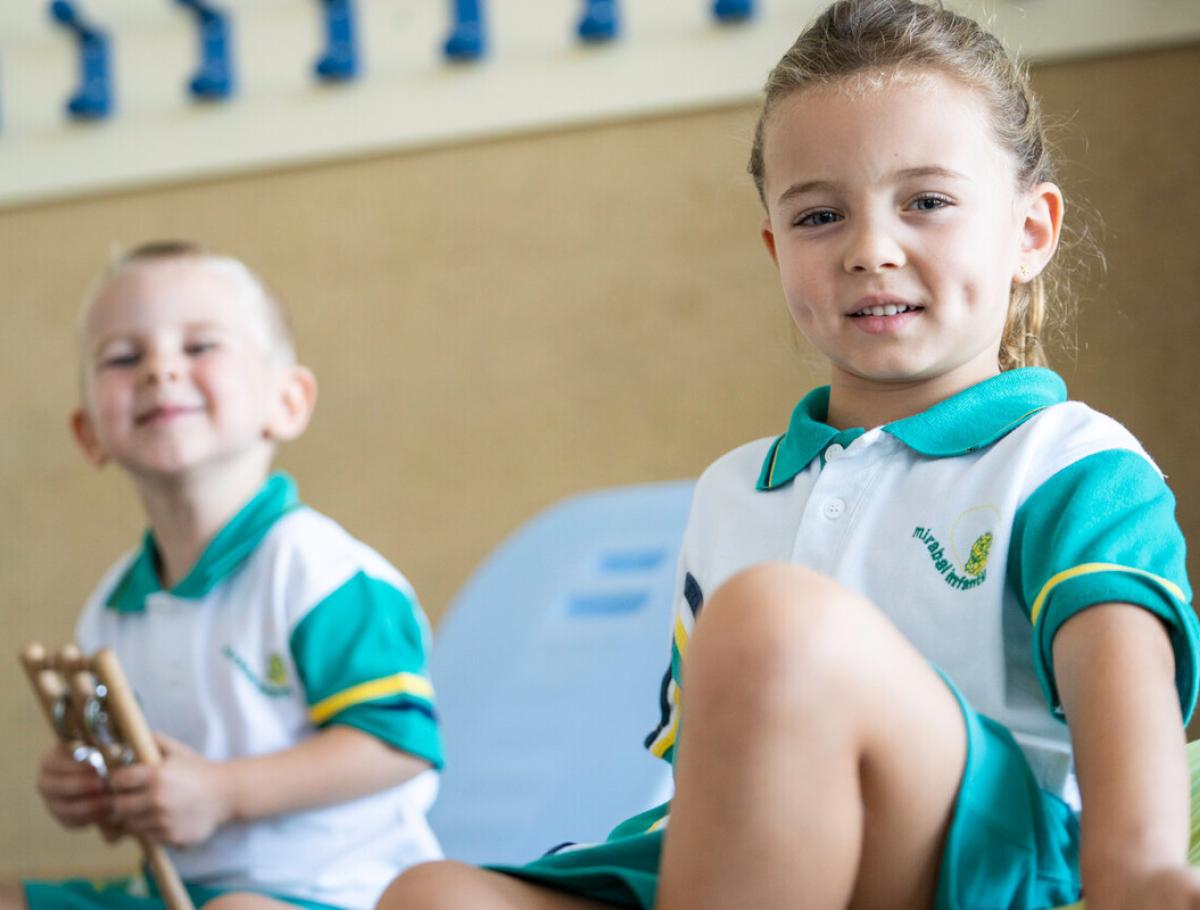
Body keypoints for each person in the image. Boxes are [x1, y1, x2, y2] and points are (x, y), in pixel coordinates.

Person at [374, 1, 1200, 908]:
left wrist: (1141, 881)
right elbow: (710, 792)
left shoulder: (1070, 463)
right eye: (818, 217)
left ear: (1030, 233)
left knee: (773, 618)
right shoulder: (734, 490)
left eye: (926, 202)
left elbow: (1128, 740)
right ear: (775, 247)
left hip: (977, 871)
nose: (870, 250)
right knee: (432, 895)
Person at [2, 242, 444, 910]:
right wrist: (91, 790)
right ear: (88, 432)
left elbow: (398, 743)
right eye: (124, 357)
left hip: (336, 893)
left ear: (288, 401)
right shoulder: (110, 611)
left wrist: (224, 793)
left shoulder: (321, 573)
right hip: (174, 891)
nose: (160, 370)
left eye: (200, 347)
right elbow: (142, 777)